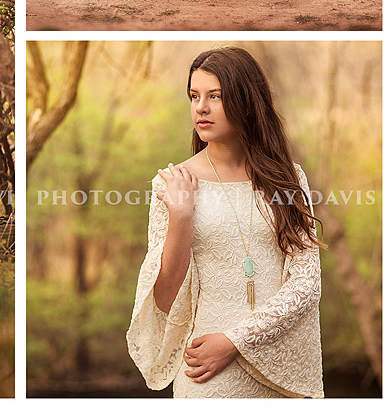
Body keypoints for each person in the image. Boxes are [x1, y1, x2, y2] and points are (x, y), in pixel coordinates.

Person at [126, 47, 323, 398]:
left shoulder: (289, 179)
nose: (200, 107)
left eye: (215, 96)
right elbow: (164, 298)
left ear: (246, 100)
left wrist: (235, 340)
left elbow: (307, 283)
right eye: (194, 96)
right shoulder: (173, 183)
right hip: (209, 371)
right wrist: (182, 215)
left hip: (282, 365)